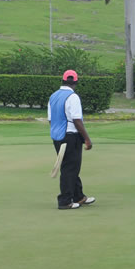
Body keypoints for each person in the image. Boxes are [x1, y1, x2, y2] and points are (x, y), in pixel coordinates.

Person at [47, 70, 96, 210]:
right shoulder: (72, 97)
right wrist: (87, 139)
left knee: (71, 167)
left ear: (63, 80)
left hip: (57, 136)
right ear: (75, 82)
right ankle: (65, 201)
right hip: (70, 136)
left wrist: (58, 134)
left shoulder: (53, 96)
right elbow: (77, 120)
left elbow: (51, 120)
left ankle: (79, 196)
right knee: (70, 168)